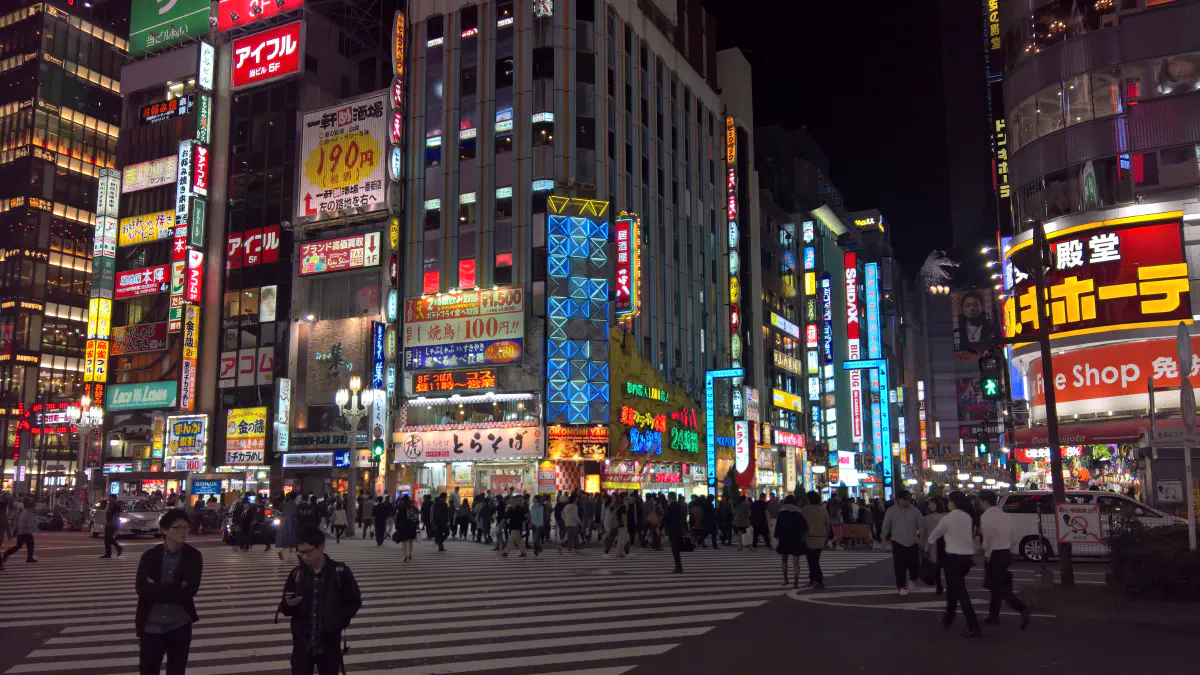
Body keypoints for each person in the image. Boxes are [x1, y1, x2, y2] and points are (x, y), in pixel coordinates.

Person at [278, 526, 362, 675]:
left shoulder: (340, 572)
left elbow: (354, 601)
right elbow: (285, 608)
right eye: (300, 552)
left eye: (307, 552)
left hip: (329, 647)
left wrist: (338, 621)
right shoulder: (297, 574)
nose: (304, 557)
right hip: (302, 647)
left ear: (321, 547)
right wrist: (287, 604)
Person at [136, 509, 202, 675]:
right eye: (177, 527)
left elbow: (190, 591)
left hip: (180, 623)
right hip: (151, 625)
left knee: (177, 670)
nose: (182, 531)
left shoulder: (193, 556)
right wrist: (176, 588)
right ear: (164, 530)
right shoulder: (150, 556)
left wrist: (156, 587)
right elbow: (141, 589)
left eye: (185, 527)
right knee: (148, 670)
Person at [926, 491, 982, 637]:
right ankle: (948, 619)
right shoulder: (967, 517)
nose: (948, 504)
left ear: (953, 503)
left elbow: (936, 533)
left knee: (960, 592)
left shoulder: (948, 518)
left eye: (949, 501)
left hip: (953, 559)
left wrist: (928, 544)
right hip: (966, 559)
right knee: (952, 589)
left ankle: (974, 626)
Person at [979, 491, 1030, 629]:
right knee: (997, 587)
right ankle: (993, 615)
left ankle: (1022, 609)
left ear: (985, 501)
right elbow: (1014, 537)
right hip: (1006, 553)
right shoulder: (1005, 516)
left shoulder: (986, 517)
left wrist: (987, 553)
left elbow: (987, 538)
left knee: (999, 588)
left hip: (994, 554)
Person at [881, 490, 924, 595]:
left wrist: (922, 540)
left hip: (913, 541)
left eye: (909, 499)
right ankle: (901, 587)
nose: (908, 502)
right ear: (899, 499)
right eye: (905, 499)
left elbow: (921, 527)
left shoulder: (915, 511)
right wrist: (883, 540)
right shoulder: (891, 511)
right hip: (897, 542)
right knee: (899, 566)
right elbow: (886, 526)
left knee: (915, 565)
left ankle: (913, 580)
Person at [774, 495, 808, 588]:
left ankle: (785, 579)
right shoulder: (798, 513)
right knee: (796, 562)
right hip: (795, 538)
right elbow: (804, 527)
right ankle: (796, 582)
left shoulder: (781, 513)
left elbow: (778, 527)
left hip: (784, 539)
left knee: (784, 560)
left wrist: (776, 537)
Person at [920, 496, 948, 595]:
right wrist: (922, 542)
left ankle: (948, 585)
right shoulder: (926, 518)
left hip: (946, 542)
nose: (930, 506)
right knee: (935, 566)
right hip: (932, 544)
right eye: (929, 504)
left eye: (932, 504)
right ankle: (939, 585)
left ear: (938, 504)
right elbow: (923, 532)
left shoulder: (947, 516)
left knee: (947, 566)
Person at [800, 492, 828, 588]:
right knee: (814, 559)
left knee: (812, 561)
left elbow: (801, 524)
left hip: (809, 537)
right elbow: (827, 524)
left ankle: (819, 580)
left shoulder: (805, 510)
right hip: (821, 538)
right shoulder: (823, 510)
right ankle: (812, 579)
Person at [2, 498, 37, 564]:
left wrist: (16, 530)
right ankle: (29, 558)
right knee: (30, 544)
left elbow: (18, 522)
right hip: (25, 532)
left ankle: (6, 554)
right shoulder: (27, 513)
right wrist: (33, 527)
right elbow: (27, 524)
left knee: (19, 546)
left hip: (21, 532)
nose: (35, 508)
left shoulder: (24, 512)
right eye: (34, 507)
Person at [661, 493, 686, 573]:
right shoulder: (679, 506)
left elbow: (665, 518)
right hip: (679, 529)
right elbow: (683, 517)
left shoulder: (670, 507)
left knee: (675, 549)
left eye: (668, 497)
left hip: (672, 530)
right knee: (677, 549)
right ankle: (679, 566)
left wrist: (660, 527)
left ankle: (678, 567)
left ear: (670, 498)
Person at [395, 495, 418, 561]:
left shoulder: (401, 508)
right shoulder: (413, 508)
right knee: (410, 541)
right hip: (411, 526)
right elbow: (416, 517)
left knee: (404, 541)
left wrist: (397, 526)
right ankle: (410, 554)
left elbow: (398, 518)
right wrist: (416, 525)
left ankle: (405, 556)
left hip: (403, 527)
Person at [276, 492, 299, 560]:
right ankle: (289, 557)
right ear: (295, 497)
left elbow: (282, 514)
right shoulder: (295, 505)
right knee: (292, 540)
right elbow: (296, 515)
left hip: (285, 523)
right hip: (292, 523)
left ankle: (282, 551)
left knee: (287, 540)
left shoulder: (286, 504)